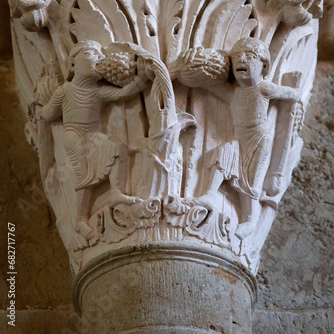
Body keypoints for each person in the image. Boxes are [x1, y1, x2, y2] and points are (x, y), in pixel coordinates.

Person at [178, 38, 301, 240]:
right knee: (223, 154)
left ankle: (250, 220)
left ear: (264, 65)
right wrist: (192, 71)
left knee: (252, 180)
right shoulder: (234, 92)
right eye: (236, 57)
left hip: (259, 140)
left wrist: (296, 94)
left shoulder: (264, 89)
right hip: (239, 137)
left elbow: (288, 94)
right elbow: (211, 86)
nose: (242, 60)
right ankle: (209, 196)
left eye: (250, 56)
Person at [39, 40, 148, 244]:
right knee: (85, 175)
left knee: (117, 148)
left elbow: (123, 93)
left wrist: (142, 80)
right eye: (91, 53)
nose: (99, 59)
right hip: (74, 135)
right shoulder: (65, 91)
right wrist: (41, 107)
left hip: (93, 133)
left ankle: (115, 192)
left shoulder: (98, 91)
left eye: (101, 55)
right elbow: (49, 113)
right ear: (72, 65)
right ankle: (80, 219)